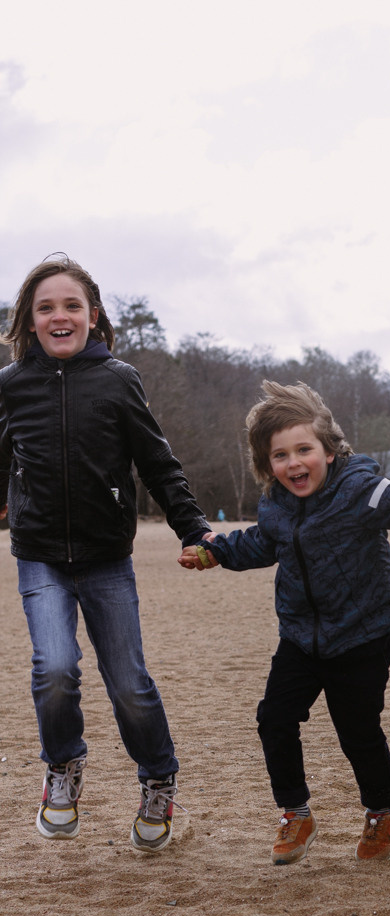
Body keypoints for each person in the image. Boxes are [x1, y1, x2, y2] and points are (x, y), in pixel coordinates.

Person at [179, 380, 390, 865]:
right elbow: (262, 543)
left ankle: (383, 809)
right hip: (301, 639)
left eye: (304, 449)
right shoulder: (277, 504)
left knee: (358, 732)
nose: (294, 463)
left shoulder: (361, 490)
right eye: (280, 456)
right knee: (274, 719)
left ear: (329, 449)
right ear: (267, 465)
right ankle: (296, 813)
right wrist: (216, 551)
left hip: (362, 636)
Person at [0, 255, 211, 852]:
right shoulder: (11, 386)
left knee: (127, 681)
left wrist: (193, 529)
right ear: (29, 321)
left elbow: (157, 462)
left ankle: (157, 779)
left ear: (92, 316)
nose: (59, 315)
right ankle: (62, 769)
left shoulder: (119, 379)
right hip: (39, 553)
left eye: (72, 305)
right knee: (55, 668)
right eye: (46, 307)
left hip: (106, 558)